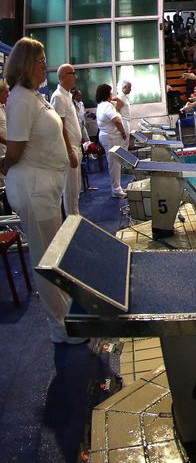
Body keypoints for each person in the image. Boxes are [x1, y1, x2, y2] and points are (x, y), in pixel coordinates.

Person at [0, 38, 85, 344]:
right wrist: (5, 165)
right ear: (26, 64)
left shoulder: (33, 96)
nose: (45, 66)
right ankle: (58, 325)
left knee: (53, 252)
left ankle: (64, 314)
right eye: (40, 61)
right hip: (33, 188)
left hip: (45, 185)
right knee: (46, 256)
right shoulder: (21, 99)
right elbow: (16, 148)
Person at [50, 64, 84, 215]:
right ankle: (72, 222)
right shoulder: (58, 97)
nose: (75, 76)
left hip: (76, 147)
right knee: (70, 190)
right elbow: (60, 127)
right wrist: (70, 151)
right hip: (69, 149)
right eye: (72, 73)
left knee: (76, 189)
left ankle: (75, 217)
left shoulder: (67, 95)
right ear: (63, 76)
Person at [96, 83, 129, 198]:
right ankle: (116, 190)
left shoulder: (103, 105)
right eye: (110, 92)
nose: (112, 94)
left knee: (115, 163)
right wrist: (123, 133)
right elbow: (117, 120)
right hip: (111, 138)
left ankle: (117, 187)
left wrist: (114, 98)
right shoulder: (107, 106)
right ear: (107, 94)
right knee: (114, 164)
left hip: (108, 137)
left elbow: (121, 104)